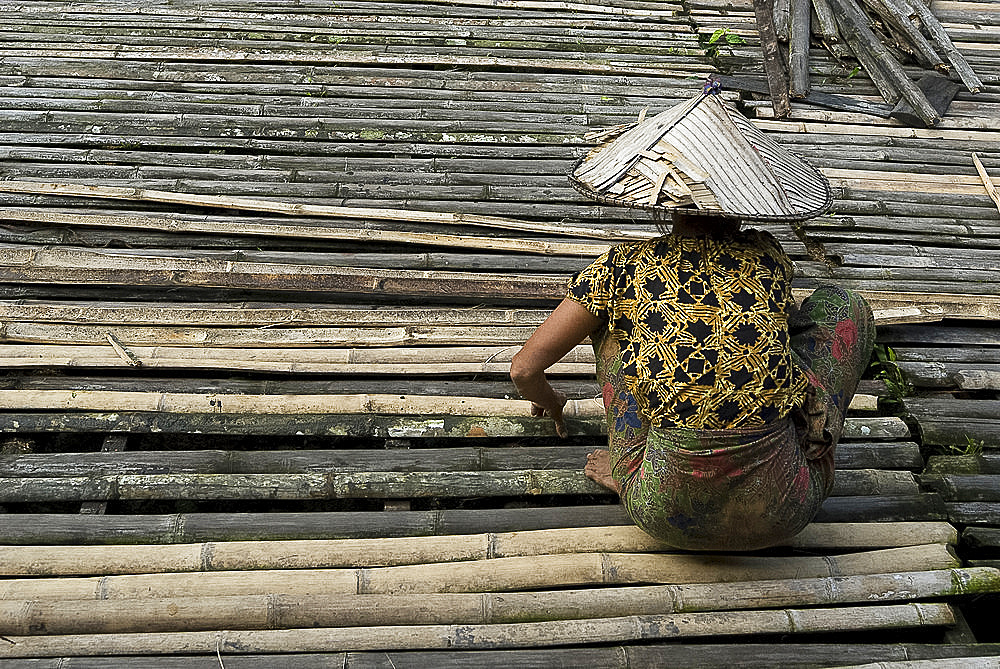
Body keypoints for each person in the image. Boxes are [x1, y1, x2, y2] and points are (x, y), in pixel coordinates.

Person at [509, 85, 875, 551]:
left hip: (661, 511)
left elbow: (524, 369)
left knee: (609, 329)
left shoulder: (620, 267)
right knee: (845, 308)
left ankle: (629, 468)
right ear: (750, 202)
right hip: (788, 509)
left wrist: (556, 403)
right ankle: (807, 444)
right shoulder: (766, 257)